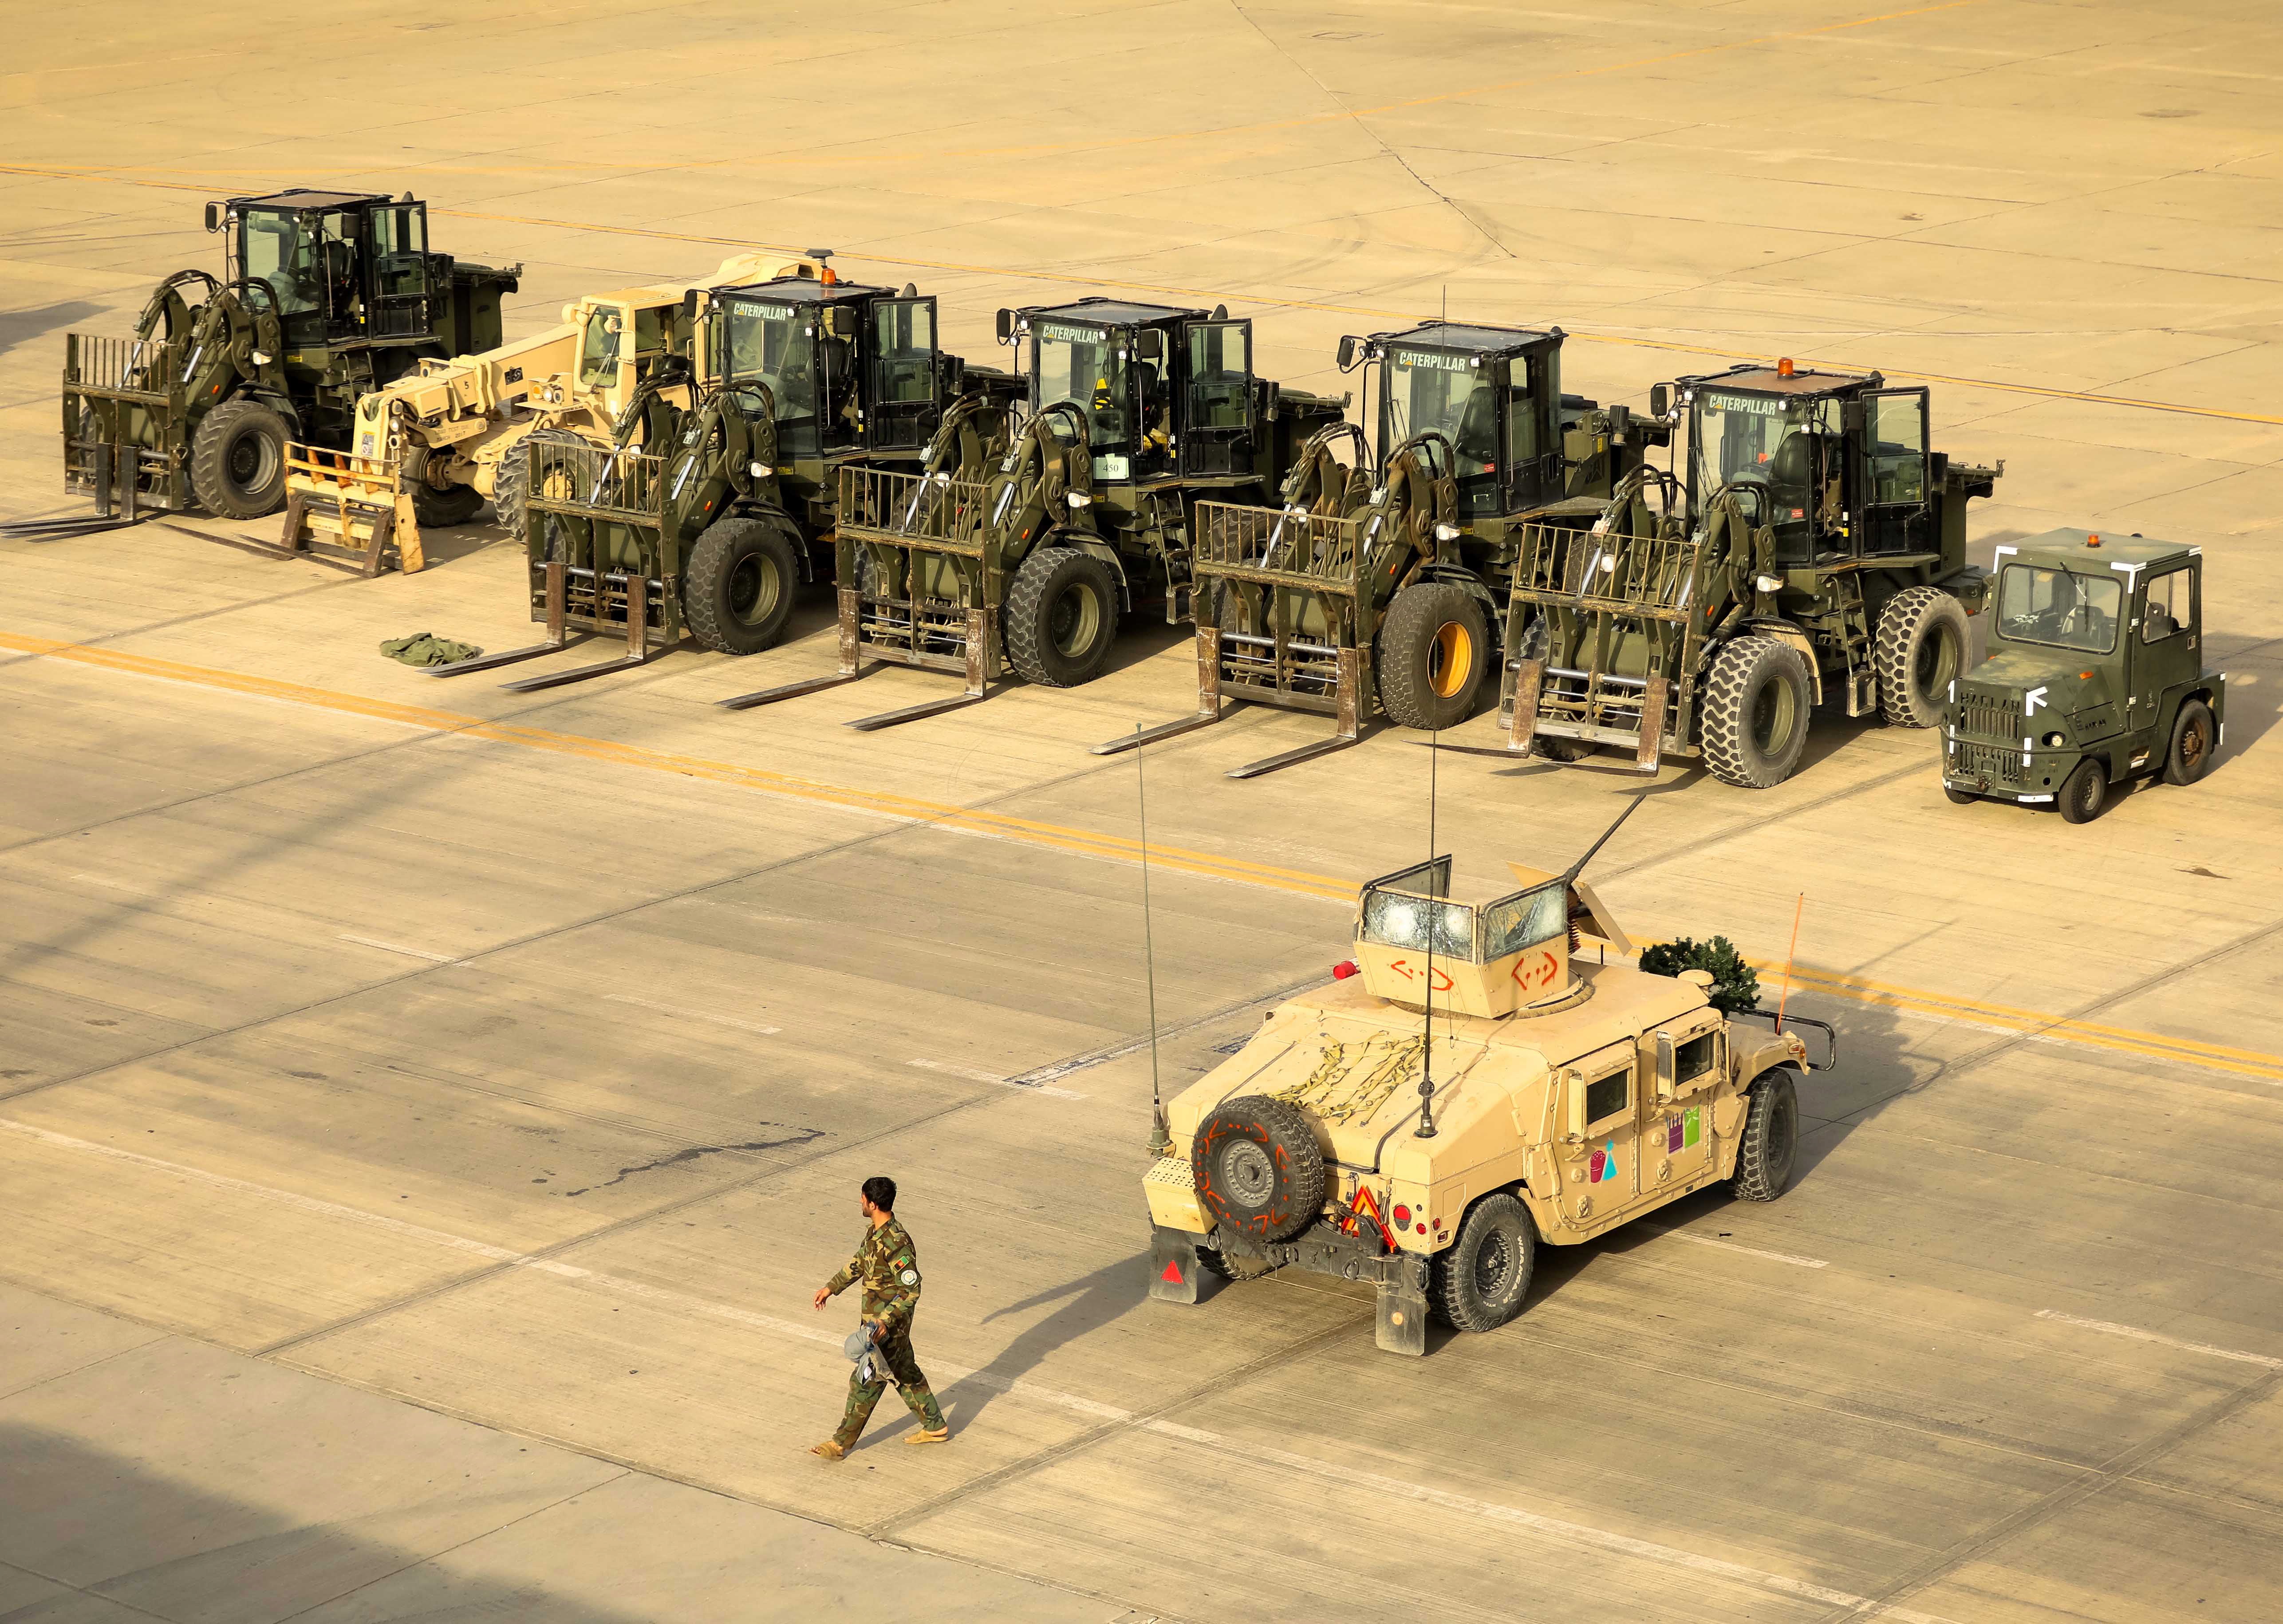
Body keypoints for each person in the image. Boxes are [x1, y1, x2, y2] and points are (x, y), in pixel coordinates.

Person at [810, 1175, 947, 1458]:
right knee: (906, 1374)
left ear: (872, 1204)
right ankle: (934, 1426)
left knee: (864, 1383)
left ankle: (840, 1444)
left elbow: (911, 1289)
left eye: (862, 1199)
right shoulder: (875, 1235)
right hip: (883, 1326)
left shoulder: (896, 1242)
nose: (860, 1203)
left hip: (885, 1330)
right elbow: (859, 1262)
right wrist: (831, 1288)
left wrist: (884, 1320)